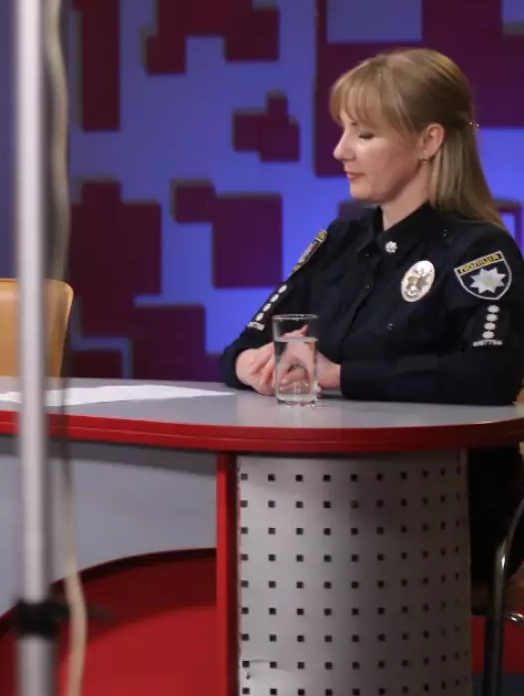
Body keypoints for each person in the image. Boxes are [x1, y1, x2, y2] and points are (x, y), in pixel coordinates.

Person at [220, 48, 524, 609]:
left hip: (439, 507)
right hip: (326, 488)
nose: (341, 151)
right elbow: (245, 343)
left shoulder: (480, 250)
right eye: (343, 131)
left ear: (428, 141)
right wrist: (251, 366)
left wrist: (338, 375)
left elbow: (488, 376)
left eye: (364, 135)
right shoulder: (342, 239)